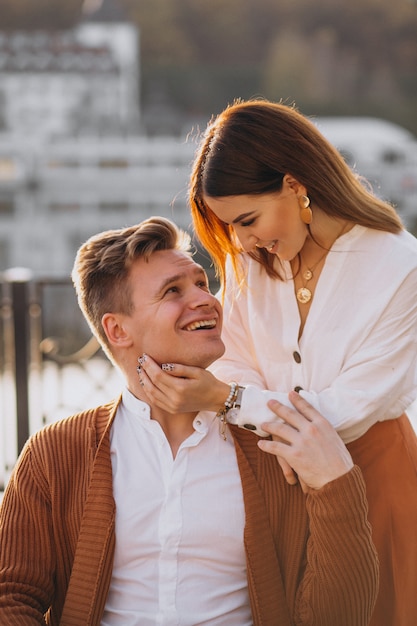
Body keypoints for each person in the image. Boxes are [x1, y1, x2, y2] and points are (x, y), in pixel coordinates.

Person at [0, 217, 378, 625]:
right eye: (172, 291)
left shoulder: (273, 448)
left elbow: (339, 613)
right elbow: (11, 597)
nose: (205, 300)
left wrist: (335, 485)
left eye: (201, 283)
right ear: (117, 330)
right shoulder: (54, 453)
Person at [138, 99, 417, 625]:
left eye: (248, 219)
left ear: (294, 184)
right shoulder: (252, 262)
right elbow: (233, 358)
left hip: (373, 477)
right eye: (231, 226)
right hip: (275, 482)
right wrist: (264, 417)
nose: (242, 240)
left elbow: (346, 412)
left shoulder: (401, 268)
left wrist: (230, 402)